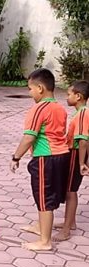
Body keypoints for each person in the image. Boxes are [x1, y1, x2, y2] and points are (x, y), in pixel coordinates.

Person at [10, 68, 70, 251]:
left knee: (44, 199)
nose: (30, 93)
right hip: (61, 155)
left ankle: (45, 241)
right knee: (46, 197)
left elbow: (29, 137)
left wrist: (16, 156)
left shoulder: (38, 109)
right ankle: (40, 226)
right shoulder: (60, 108)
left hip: (46, 159)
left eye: (30, 89)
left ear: (40, 88)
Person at [53, 80, 89, 241]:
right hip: (74, 153)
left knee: (70, 191)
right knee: (70, 189)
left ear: (78, 96)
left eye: (69, 94)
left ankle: (67, 229)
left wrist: (82, 163)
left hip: (75, 154)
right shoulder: (81, 112)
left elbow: (82, 141)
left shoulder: (82, 113)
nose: (66, 97)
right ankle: (71, 222)